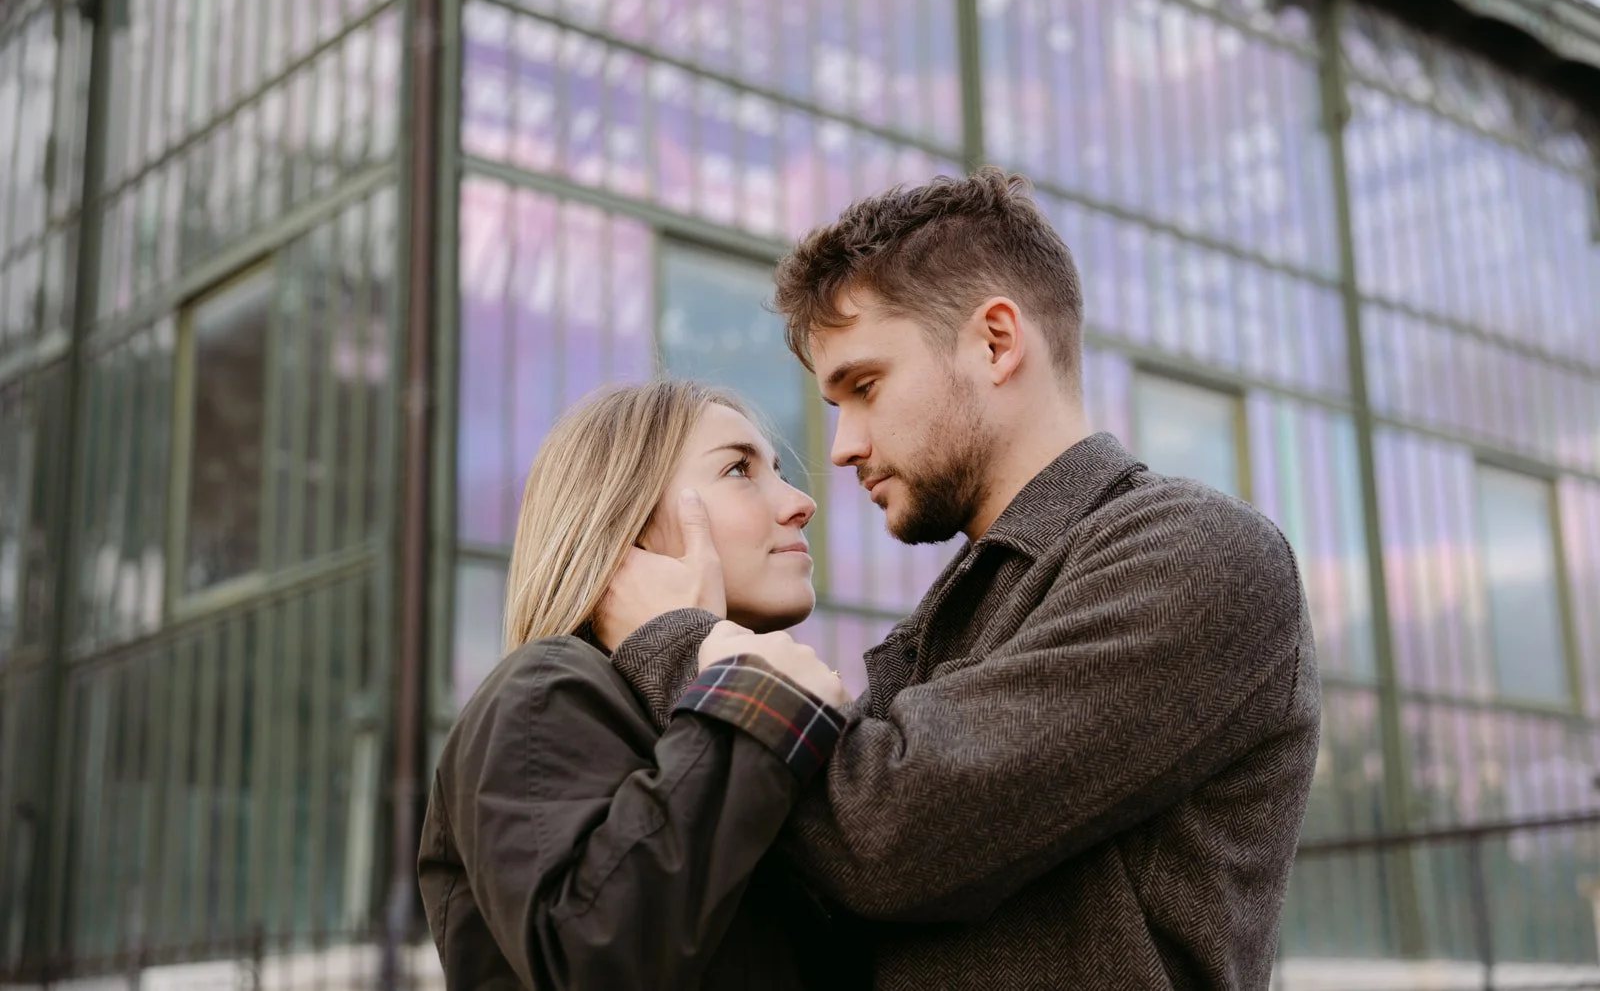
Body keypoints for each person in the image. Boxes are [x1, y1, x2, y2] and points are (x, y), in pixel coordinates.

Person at [598, 169, 1322, 989]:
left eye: (864, 387)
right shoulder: (951, 615)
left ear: (995, 341)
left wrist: (682, 644)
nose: (841, 445)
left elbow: (886, 829)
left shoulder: (1202, 554)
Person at [417, 380, 871, 991]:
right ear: (627, 523)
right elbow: (591, 960)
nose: (799, 501)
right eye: (739, 469)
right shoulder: (544, 686)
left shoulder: (731, 722)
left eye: (780, 470)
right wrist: (759, 699)